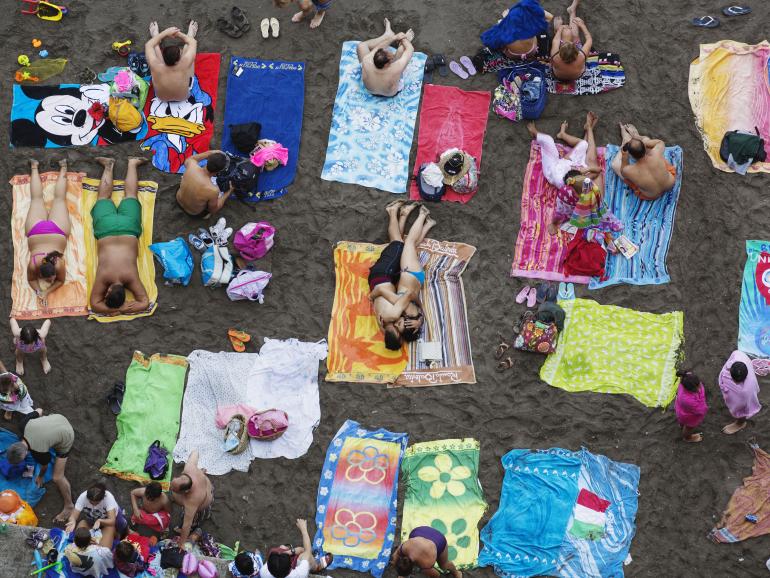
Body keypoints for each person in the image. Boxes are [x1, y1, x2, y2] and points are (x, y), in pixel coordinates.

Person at [368, 202, 434, 350]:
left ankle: (398, 213)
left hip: (385, 275)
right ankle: (419, 215)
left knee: (401, 244)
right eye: (401, 328)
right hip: (403, 274)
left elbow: (389, 294)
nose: (398, 326)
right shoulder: (389, 320)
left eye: (398, 330)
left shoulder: (391, 316)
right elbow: (407, 298)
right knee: (404, 244)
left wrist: (372, 297)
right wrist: (420, 318)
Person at [89, 157, 150, 316]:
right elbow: (95, 304)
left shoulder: (131, 279)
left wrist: (120, 309)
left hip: (128, 228)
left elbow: (144, 302)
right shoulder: (104, 278)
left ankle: (132, 163)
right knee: (103, 198)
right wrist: (117, 310)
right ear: (108, 290)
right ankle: (108, 166)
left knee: (130, 195)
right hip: (106, 229)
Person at [526, 112, 603, 234]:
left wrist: (554, 224)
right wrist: (586, 170)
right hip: (568, 164)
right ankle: (575, 132)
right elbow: (598, 170)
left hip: (555, 167)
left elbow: (561, 212)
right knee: (584, 145)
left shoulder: (566, 193)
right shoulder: (588, 186)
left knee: (548, 141)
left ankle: (539, 134)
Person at [6, 413, 74, 522]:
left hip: (68, 434)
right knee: (45, 433)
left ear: (24, 456)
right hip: (58, 417)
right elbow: (39, 410)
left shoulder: (38, 452)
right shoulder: (23, 425)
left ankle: (69, 505)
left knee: (57, 477)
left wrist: (40, 477)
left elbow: (44, 466)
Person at [25, 158, 70, 306]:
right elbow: (58, 281)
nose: (51, 281)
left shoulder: (53, 265)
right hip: (41, 231)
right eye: (50, 280)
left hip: (44, 231)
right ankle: (58, 166)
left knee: (40, 200)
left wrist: (44, 292)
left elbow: (58, 280)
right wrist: (42, 292)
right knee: (56, 200)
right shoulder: (36, 265)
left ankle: (35, 166)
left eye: (49, 279)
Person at [611, 123, 677, 201]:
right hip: (670, 183)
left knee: (615, 164)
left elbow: (622, 171)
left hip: (652, 195)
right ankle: (634, 136)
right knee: (647, 140)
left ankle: (625, 140)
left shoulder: (629, 170)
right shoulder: (656, 153)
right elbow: (660, 142)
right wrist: (641, 140)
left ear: (631, 156)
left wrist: (624, 155)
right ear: (644, 148)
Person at [357, 19, 415, 97]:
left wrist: (394, 38)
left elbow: (378, 47)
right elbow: (410, 49)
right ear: (387, 64)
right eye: (390, 58)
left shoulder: (367, 60)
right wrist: (404, 39)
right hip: (389, 94)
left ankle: (388, 35)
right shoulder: (396, 67)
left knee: (361, 46)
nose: (391, 53)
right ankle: (392, 37)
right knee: (401, 49)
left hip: (371, 90)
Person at [260, 518, 333, 578]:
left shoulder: (263, 572)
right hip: (303, 574)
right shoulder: (299, 574)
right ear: (290, 568)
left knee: (282, 547)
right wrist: (304, 529)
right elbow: (307, 552)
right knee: (306, 556)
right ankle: (316, 567)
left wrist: (290, 551)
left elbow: (276, 557)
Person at [145, 21, 198, 102]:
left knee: (155, 47)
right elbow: (193, 42)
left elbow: (148, 45)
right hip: (183, 97)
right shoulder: (184, 63)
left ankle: (155, 37)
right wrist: (179, 34)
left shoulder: (155, 65)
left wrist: (165, 33)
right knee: (187, 49)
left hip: (162, 98)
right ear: (177, 61)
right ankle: (190, 35)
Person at [481, 0, 553, 59]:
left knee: (503, 40)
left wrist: (506, 18)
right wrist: (532, 9)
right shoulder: (533, 28)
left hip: (513, 54)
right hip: (531, 51)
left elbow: (493, 42)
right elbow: (550, 17)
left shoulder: (506, 32)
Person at [169, 449, 214, 545]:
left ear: (186, 491)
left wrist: (181, 544)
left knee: (194, 520)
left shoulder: (192, 500)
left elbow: (186, 525)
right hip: (204, 483)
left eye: (174, 488)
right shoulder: (189, 468)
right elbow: (195, 452)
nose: (170, 487)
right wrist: (199, 472)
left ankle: (197, 528)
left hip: (203, 502)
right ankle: (201, 473)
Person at [65, 481, 125, 547]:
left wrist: (100, 521)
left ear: (102, 498)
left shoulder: (108, 498)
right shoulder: (82, 497)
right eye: (91, 502)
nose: (94, 505)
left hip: (109, 520)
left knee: (120, 525)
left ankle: (118, 535)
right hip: (91, 518)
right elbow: (73, 516)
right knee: (80, 539)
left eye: (96, 503)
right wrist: (72, 521)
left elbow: (112, 520)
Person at [176, 151, 233, 217]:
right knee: (211, 207)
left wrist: (210, 153)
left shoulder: (191, 165)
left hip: (178, 200)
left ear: (208, 160)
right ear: (219, 171)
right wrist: (228, 191)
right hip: (192, 212)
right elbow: (213, 210)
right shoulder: (213, 190)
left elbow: (191, 159)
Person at [718, 350, 761, 434]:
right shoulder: (738, 355)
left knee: (742, 411)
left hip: (747, 395)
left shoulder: (747, 390)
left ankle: (740, 423)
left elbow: (743, 407)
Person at [391, 526, 461, 578]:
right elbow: (395, 557)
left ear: (412, 569)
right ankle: (403, 574)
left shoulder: (425, 565)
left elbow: (437, 575)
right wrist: (400, 572)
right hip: (420, 531)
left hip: (438, 540)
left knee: (444, 565)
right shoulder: (403, 548)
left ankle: (457, 573)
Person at [549, 0, 592, 81]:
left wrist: (560, 29)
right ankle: (572, 12)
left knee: (567, 33)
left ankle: (557, 29)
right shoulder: (581, 56)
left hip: (557, 76)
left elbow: (556, 40)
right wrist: (582, 25)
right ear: (577, 51)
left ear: (560, 52)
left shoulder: (555, 56)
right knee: (574, 36)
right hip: (577, 76)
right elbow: (589, 39)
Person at [674, 370, 708, 443]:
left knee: (682, 422)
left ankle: (681, 425)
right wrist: (704, 409)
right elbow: (700, 410)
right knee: (689, 427)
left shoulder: (685, 378)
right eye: (697, 387)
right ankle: (687, 438)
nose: (699, 387)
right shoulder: (688, 400)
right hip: (688, 416)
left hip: (680, 409)